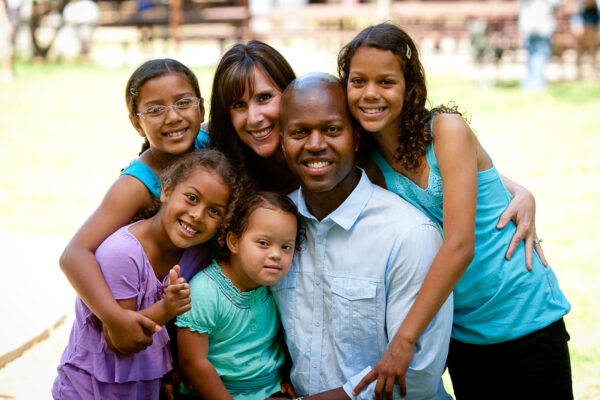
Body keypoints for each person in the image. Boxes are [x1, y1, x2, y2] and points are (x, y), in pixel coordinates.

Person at [338, 23, 573, 399]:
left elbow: (461, 245)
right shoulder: (371, 166)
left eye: (386, 82)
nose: (370, 93)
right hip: (463, 331)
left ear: (409, 87)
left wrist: (404, 342)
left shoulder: (447, 130)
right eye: (358, 81)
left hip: (523, 315)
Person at [270, 72, 454, 399]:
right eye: (299, 132)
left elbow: (418, 376)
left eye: (331, 130)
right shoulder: (271, 229)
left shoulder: (409, 234)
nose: (315, 145)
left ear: (355, 137)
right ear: (282, 142)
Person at [52, 150, 243, 399]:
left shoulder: (197, 255)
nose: (197, 215)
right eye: (191, 198)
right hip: (89, 391)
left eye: (214, 211)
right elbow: (123, 341)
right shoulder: (123, 253)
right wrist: (167, 307)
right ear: (166, 190)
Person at [59, 58, 211, 356]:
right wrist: (114, 318)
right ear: (136, 123)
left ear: (201, 108)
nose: (173, 117)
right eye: (155, 110)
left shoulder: (209, 144)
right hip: (136, 325)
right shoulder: (137, 184)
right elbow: (74, 254)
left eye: (183, 102)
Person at [176, 191, 302, 399]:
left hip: (271, 391)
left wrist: (286, 378)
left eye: (286, 246)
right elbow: (193, 362)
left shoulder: (274, 287)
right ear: (233, 242)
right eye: (263, 243)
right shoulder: (206, 291)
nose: (276, 255)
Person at [208, 40, 299, 193]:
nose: (254, 118)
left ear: (289, 92)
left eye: (264, 98)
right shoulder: (214, 155)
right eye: (238, 105)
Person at [518, 0, 561, 90]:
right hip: (542, 24)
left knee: (532, 54)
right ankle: (536, 84)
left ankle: (529, 83)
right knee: (540, 54)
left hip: (528, 24)